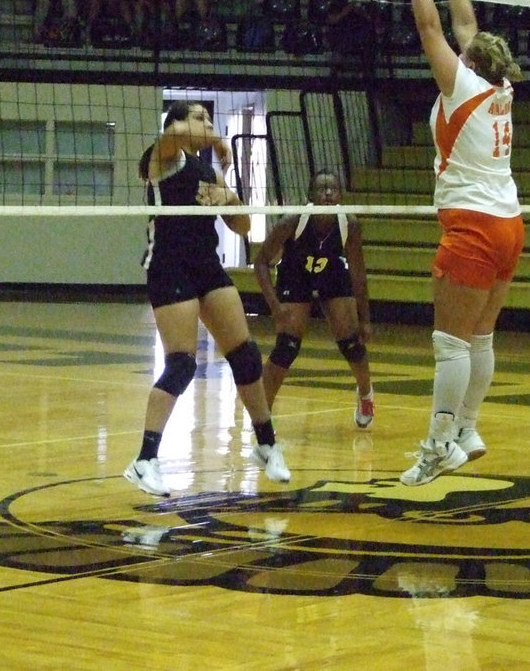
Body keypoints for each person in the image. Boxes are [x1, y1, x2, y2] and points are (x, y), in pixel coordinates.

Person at [390, 0, 525, 486]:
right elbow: (464, 24)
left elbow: (429, 26)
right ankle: (468, 429)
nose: (457, 43)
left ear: (467, 62)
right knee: (481, 337)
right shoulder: (499, 88)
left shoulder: (461, 86)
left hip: (471, 225)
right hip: (509, 224)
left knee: (450, 342)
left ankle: (440, 442)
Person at [124, 101, 289, 498]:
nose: (208, 125)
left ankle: (266, 443)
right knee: (181, 364)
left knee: (246, 355)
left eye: (210, 120)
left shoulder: (207, 172)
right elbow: (176, 136)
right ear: (177, 122)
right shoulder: (162, 158)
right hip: (169, 267)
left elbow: (244, 226)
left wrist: (229, 198)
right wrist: (216, 139)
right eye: (200, 117)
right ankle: (144, 460)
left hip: (206, 266)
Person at [253, 170, 375, 426]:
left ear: (340, 195)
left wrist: (365, 319)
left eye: (333, 188)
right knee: (286, 347)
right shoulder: (292, 221)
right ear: (310, 196)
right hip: (296, 276)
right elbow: (261, 261)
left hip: (332, 274)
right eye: (322, 188)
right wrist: (274, 306)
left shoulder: (349, 224)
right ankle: (263, 415)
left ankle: (366, 394)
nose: (328, 193)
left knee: (352, 343)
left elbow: (358, 275)